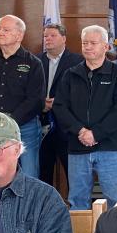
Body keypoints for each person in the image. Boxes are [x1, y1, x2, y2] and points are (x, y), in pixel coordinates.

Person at [53, 25, 117, 209]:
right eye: (84, 43)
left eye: (93, 43)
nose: (88, 47)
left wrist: (96, 134)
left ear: (106, 46)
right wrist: (80, 131)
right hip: (77, 148)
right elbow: (60, 107)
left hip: (110, 148)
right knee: (77, 202)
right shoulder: (70, 74)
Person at [0, 14, 46, 178]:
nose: (0, 32)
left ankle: (27, 204)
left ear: (19, 35)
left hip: (24, 127)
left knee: (29, 173)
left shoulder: (33, 63)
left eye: (6, 29)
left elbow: (36, 100)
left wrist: (9, 121)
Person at [37, 22, 83, 186]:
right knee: (43, 172)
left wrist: (59, 102)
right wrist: (41, 102)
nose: (48, 39)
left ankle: (76, 211)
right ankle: (44, 209)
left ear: (63, 39)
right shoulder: (36, 60)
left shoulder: (78, 61)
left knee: (73, 174)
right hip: (41, 125)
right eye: (45, 36)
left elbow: (81, 92)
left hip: (67, 126)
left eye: (52, 35)